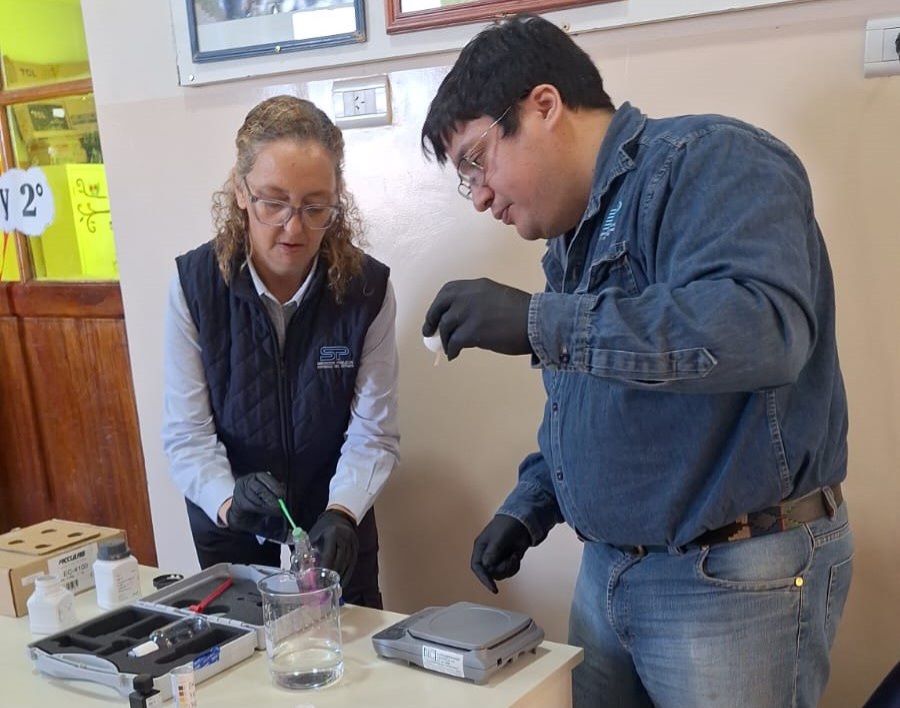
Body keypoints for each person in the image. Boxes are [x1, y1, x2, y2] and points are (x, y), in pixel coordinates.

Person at [420, 13, 852, 708]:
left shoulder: (712, 159)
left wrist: (538, 320)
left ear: (544, 106)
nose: (478, 195)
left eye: (475, 159)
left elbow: (762, 330)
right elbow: (605, 406)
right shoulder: (573, 238)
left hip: (730, 578)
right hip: (612, 574)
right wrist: (530, 507)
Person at [162, 95, 399, 609]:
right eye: (274, 202)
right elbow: (186, 434)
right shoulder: (194, 285)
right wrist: (227, 501)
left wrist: (343, 511)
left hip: (334, 534)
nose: (294, 228)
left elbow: (374, 431)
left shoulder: (366, 289)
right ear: (241, 192)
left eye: (316, 207)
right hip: (232, 536)